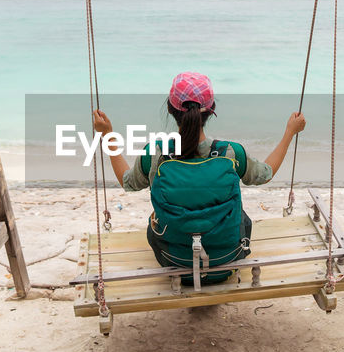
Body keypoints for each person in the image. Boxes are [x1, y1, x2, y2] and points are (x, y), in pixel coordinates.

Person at [92, 71, 306, 282]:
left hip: (172, 260)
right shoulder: (231, 153)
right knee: (241, 217)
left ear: (170, 109)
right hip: (227, 258)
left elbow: (127, 182)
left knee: (154, 222)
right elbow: (265, 174)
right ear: (211, 110)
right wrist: (290, 132)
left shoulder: (155, 153)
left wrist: (107, 134)